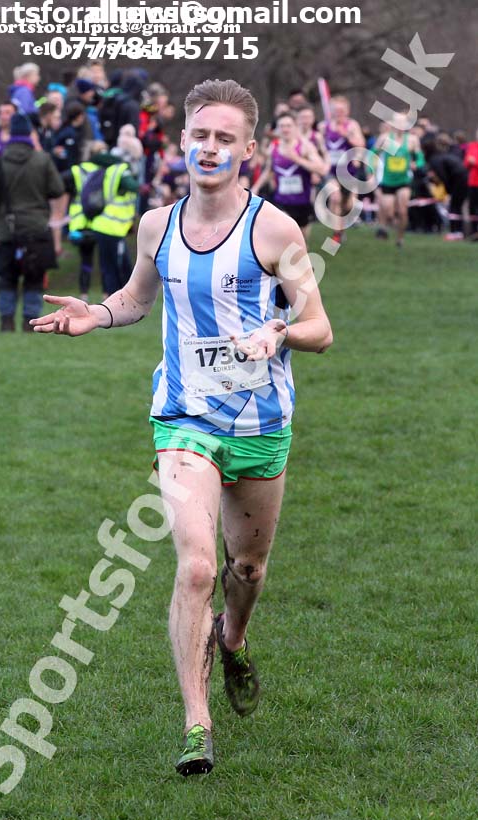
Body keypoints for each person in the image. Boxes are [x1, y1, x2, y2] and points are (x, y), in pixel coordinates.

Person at [29, 79, 333, 775]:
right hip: (184, 416)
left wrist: (279, 333)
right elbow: (136, 297)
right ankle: (197, 725)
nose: (210, 148)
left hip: (259, 422)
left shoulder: (275, 231)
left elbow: (319, 326)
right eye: (200, 135)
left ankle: (234, 638)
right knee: (196, 565)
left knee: (246, 568)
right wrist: (95, 314)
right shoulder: (155, 226)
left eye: (225, 138)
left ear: (248, 150)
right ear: (182, 141)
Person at [0, 113, 64, 331]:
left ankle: (6, 321)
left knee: (7, 277)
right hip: (37, 228)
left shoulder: (0, 163)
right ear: (29, 134)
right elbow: (57, 189)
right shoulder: (42, 160)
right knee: (34, 277)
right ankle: (31, 322)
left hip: (8, 228)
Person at [63, 140, 139, 300]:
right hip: (106, 222)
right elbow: (132, 187)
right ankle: (109, 296)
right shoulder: (113, 170)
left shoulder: (80, 169)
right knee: (111, 264)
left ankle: (85, 294)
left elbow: (61, 184)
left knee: (89, 262)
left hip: (85, 222)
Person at [252, 111, 328, 240]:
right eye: (282, 126)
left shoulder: (304, 147)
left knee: (301, 242)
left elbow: (322, 169)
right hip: (281, 201)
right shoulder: (274, 147)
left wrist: (297, 159)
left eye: (288, 126)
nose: (285, 129)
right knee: (285, 235)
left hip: (302, 202)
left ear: (295, 127)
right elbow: (269, 170)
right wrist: (256, 187)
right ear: (278, 129)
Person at [373, 112, 425, 247]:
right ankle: (389, 227)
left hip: (404, 181)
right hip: (388, 181)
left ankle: (400, 238)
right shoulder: (385, 138)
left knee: (402, 211)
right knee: (389, 213)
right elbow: (372, 153)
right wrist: (371, 170)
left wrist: (416, 164)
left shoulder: (412, 140)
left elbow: (420, 158)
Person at [318, 95, 365, 243]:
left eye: (341, 110)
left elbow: (361, 144)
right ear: (331, 111)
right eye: (336, 110)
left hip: (348, 171)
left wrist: (347, 136)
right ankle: (337, 235)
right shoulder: (323, 126)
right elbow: (317, 147)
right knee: (335, 197)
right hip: (331, 171)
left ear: (347, 111)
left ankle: (341, 228)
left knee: (349, 205)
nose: (339, 113)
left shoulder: (352, 125)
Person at [464, 128, 478, 237]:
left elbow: (473, 161)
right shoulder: (472, 146)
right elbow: (466, 163)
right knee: (472, 207)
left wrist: (475, 162)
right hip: (473, 182)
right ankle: (473, 231)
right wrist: (470, 162)